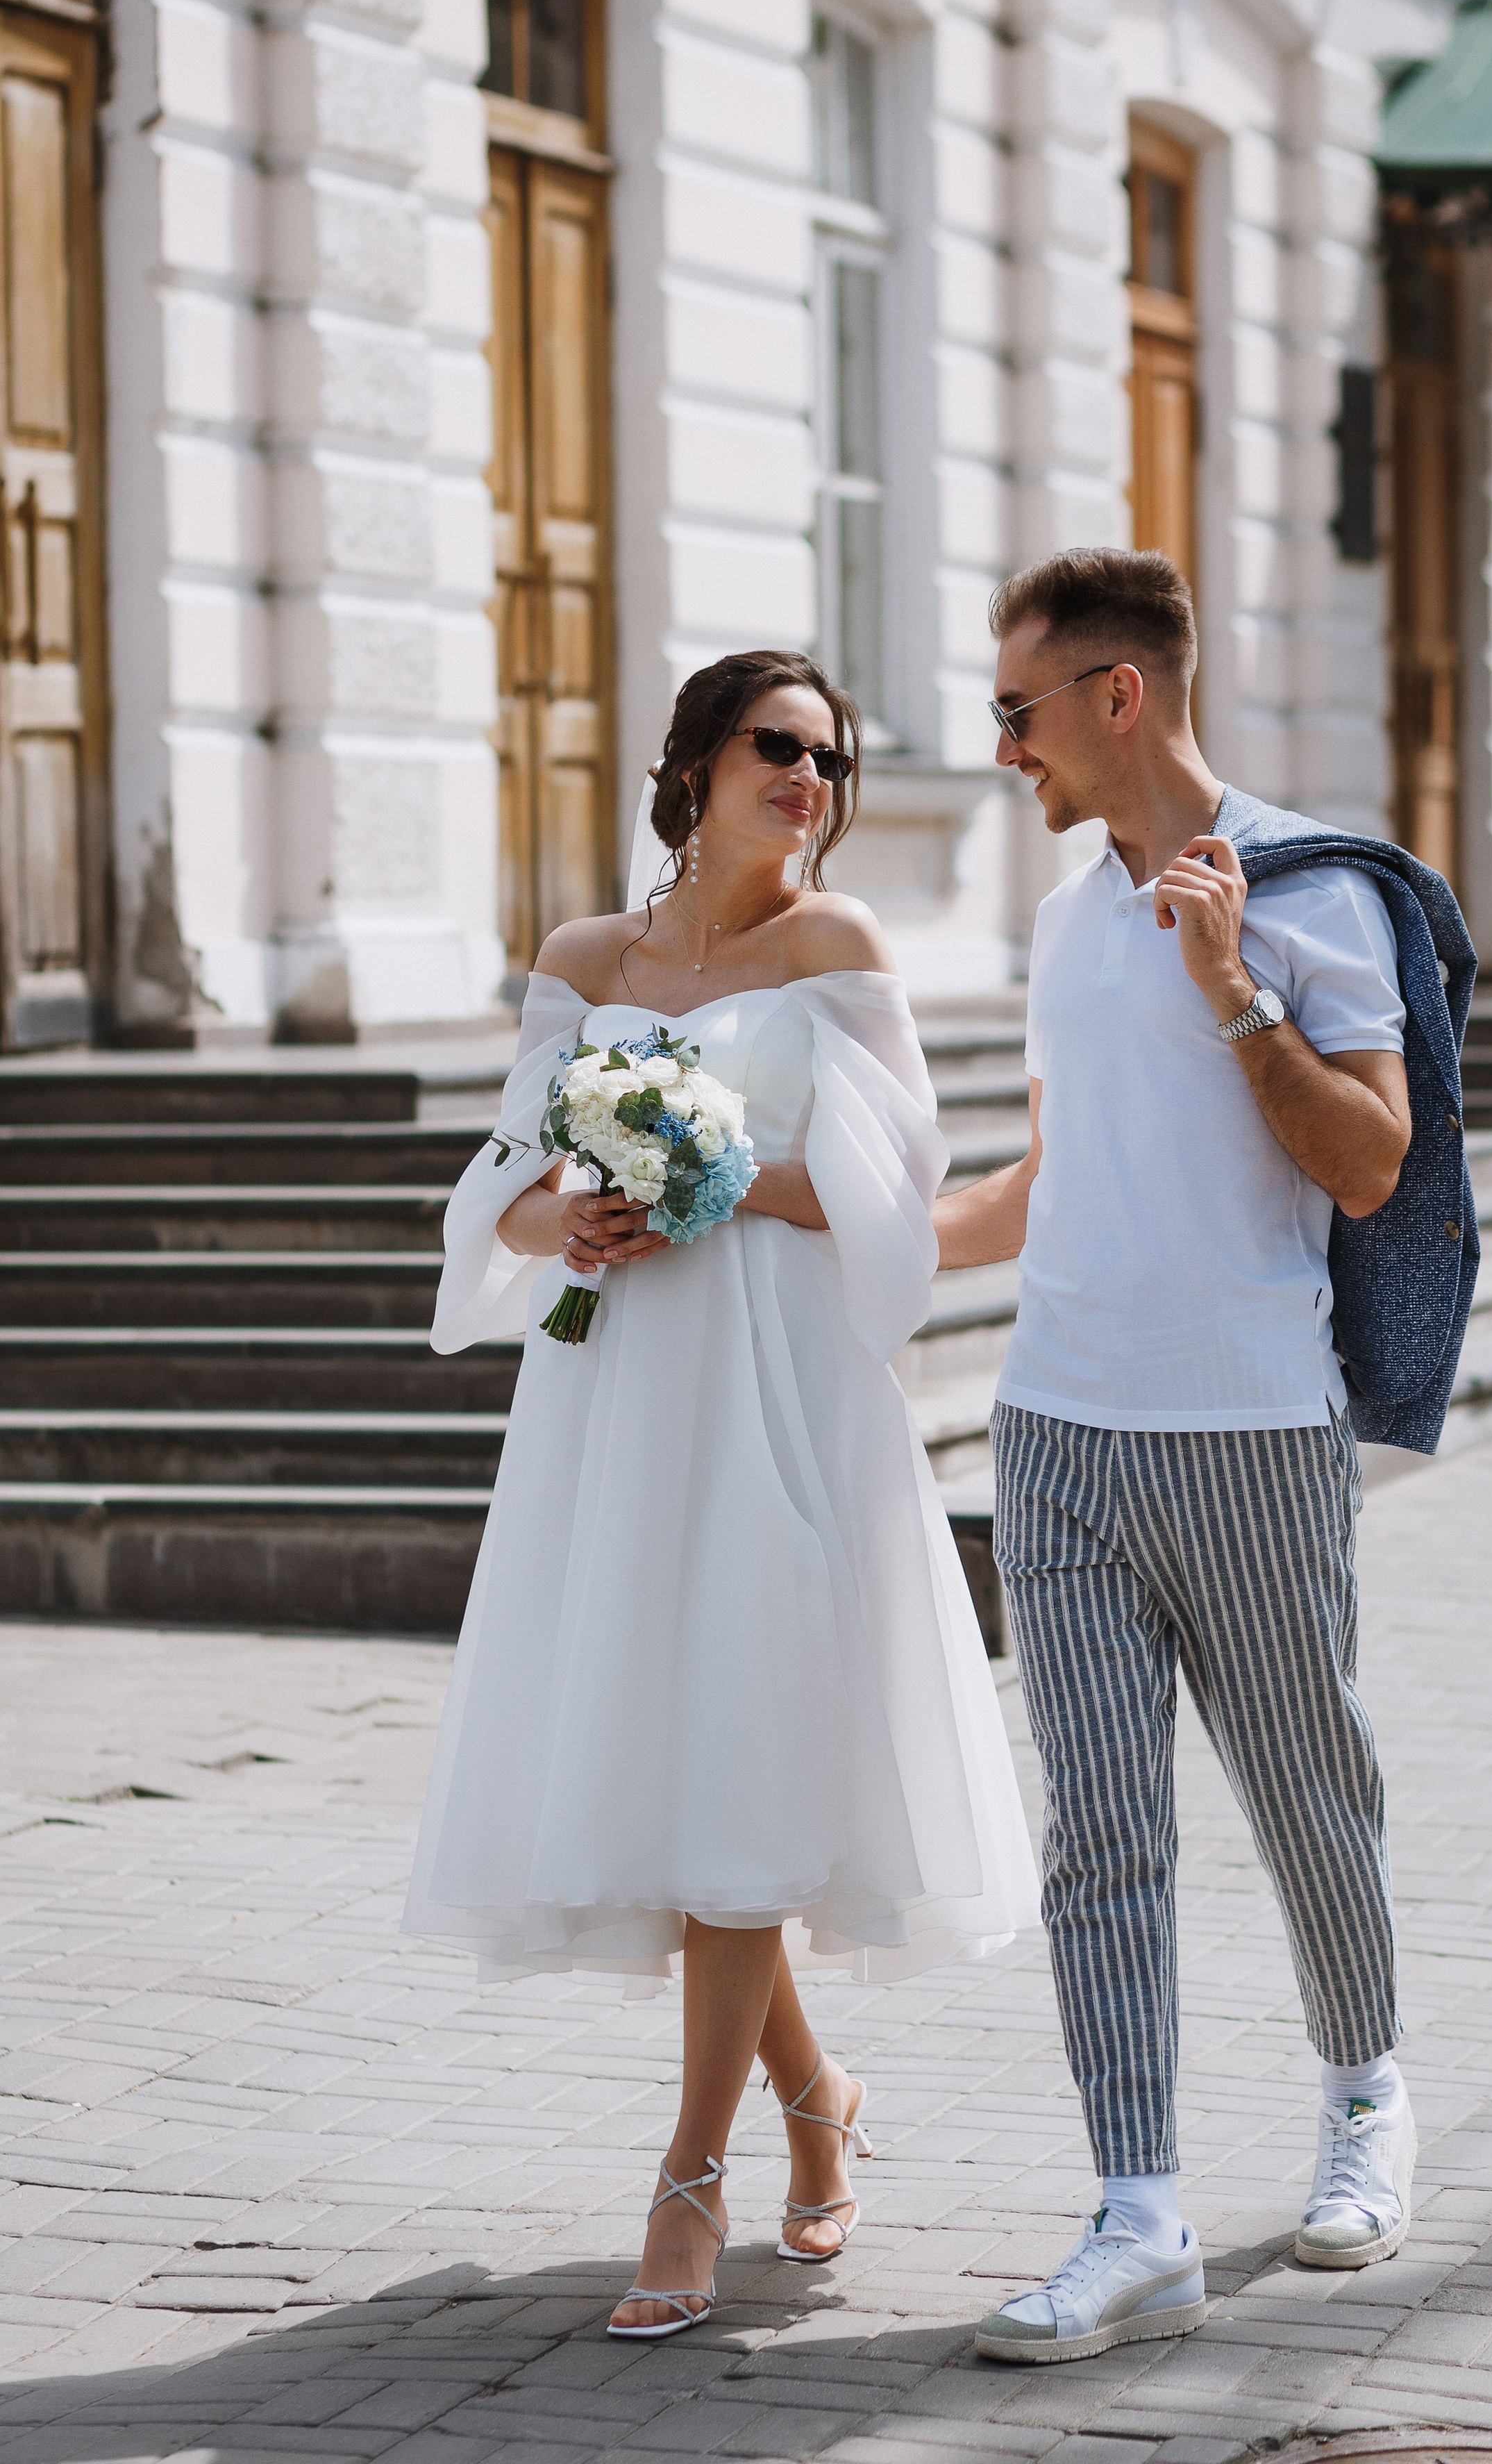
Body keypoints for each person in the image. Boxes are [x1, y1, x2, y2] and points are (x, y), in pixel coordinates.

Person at [405, 649, 1039, 2342]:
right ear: (690, 766)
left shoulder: (834, 951)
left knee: (749, 1733)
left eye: (830, 758)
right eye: (780, 748)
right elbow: (508, 1187)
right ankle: (817, 2101)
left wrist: (706, 1177)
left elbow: (891, 1200)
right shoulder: (583, 961)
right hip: (615, 1397)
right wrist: (575, 1217)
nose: (810, 781)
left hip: (778, 1394)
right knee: (679, 1752)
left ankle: (688, 2176)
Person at [934, 548, 1477, 2367]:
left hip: (1248, 1431)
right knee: (1101, 1838)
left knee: (1305, 1790)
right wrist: (806, 1228)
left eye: (1016, 710)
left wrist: (1237, 985)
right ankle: (1137, 2210)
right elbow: (1055, 1173)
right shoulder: (1059, 921)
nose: (998, 745)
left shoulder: (1317, 894)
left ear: (1118, 698)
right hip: (1056, 1429)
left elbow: (1371, 1165)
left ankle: (1362, 2097)